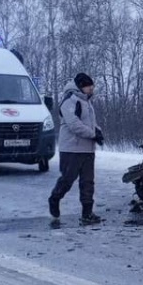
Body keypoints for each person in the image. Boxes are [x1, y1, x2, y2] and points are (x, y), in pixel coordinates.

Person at [48, 72, 104, 225]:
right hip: (71, 149)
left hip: (87, 149)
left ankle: (87, 213)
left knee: (88, 182)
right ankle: (55, 198)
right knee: (67, 179)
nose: (92, 90)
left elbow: (91, 123)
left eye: (92, 87)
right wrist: (92, 134)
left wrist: (98, 131)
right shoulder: (70, 100)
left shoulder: (87, 102)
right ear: (81, 86)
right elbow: (74, 125)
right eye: (89, 87)